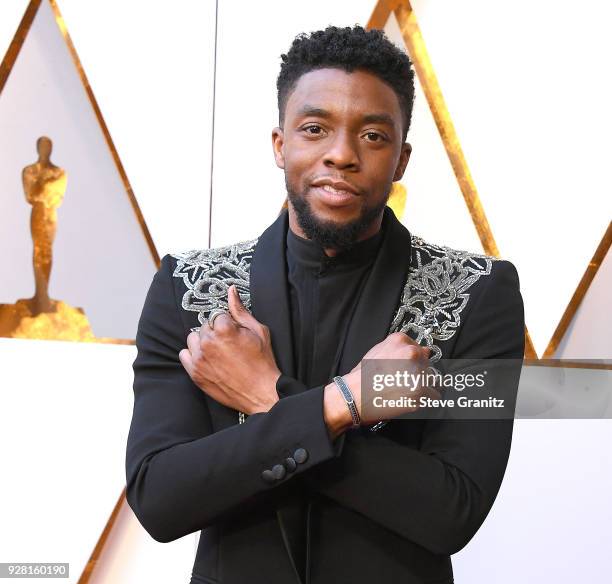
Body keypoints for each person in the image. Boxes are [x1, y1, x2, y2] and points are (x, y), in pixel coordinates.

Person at [125, 25, 525, 584]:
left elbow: (452, 512)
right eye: (315, 129)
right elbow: (160, 498)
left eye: (373, 137)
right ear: (280, 143)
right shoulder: (192, 289)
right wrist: (341, 405)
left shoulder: (476, 294)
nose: (341, 155)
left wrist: (268, 399)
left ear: (402, 159)